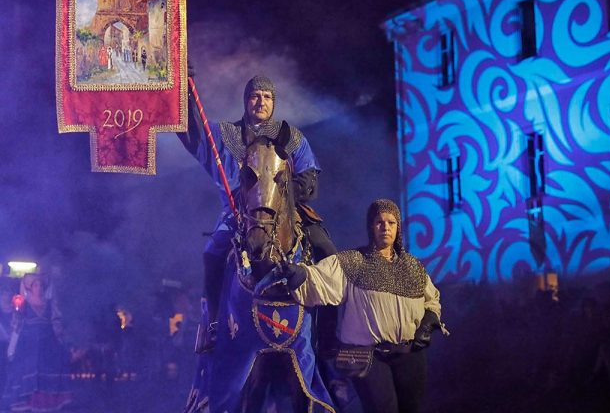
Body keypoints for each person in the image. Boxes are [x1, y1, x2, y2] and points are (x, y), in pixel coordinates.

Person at [178, 73, 337, 350]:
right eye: (255, 96)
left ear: (273, 103)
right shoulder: (226, 136)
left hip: (286, 213)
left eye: (266, 97)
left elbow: (309, 177)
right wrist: (184, 88)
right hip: (238, 214)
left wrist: (286, 195)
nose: (260, 101)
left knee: (327, 251)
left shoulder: (290, 137)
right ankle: (213, 325)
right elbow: (193, 132)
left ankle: (332, 333)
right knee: (212, 255)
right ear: (245, 101)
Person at [278, 199, 446, 413]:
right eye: (379, 222)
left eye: (391, 223)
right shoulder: (353, 262)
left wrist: (429, 322)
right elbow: (320, 278)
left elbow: (432, 300)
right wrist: (301, 274)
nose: (385, 227)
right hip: (368, 356)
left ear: (398, 228)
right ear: (370, 226)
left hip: (409, 353)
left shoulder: (413, 267)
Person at [3, 273, 71, 412]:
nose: (38, 287)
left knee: (46, 372)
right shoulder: (23, 304)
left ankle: (46, 405)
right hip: (28, 345)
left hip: (48, 344)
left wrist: (60, 339)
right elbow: (17, 324)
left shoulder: (50, 304)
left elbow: (56, 322)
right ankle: (28, 404)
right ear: (30, 287)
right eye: (35, 285)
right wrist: (12, 345)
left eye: (40, 285)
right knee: (29, 371)